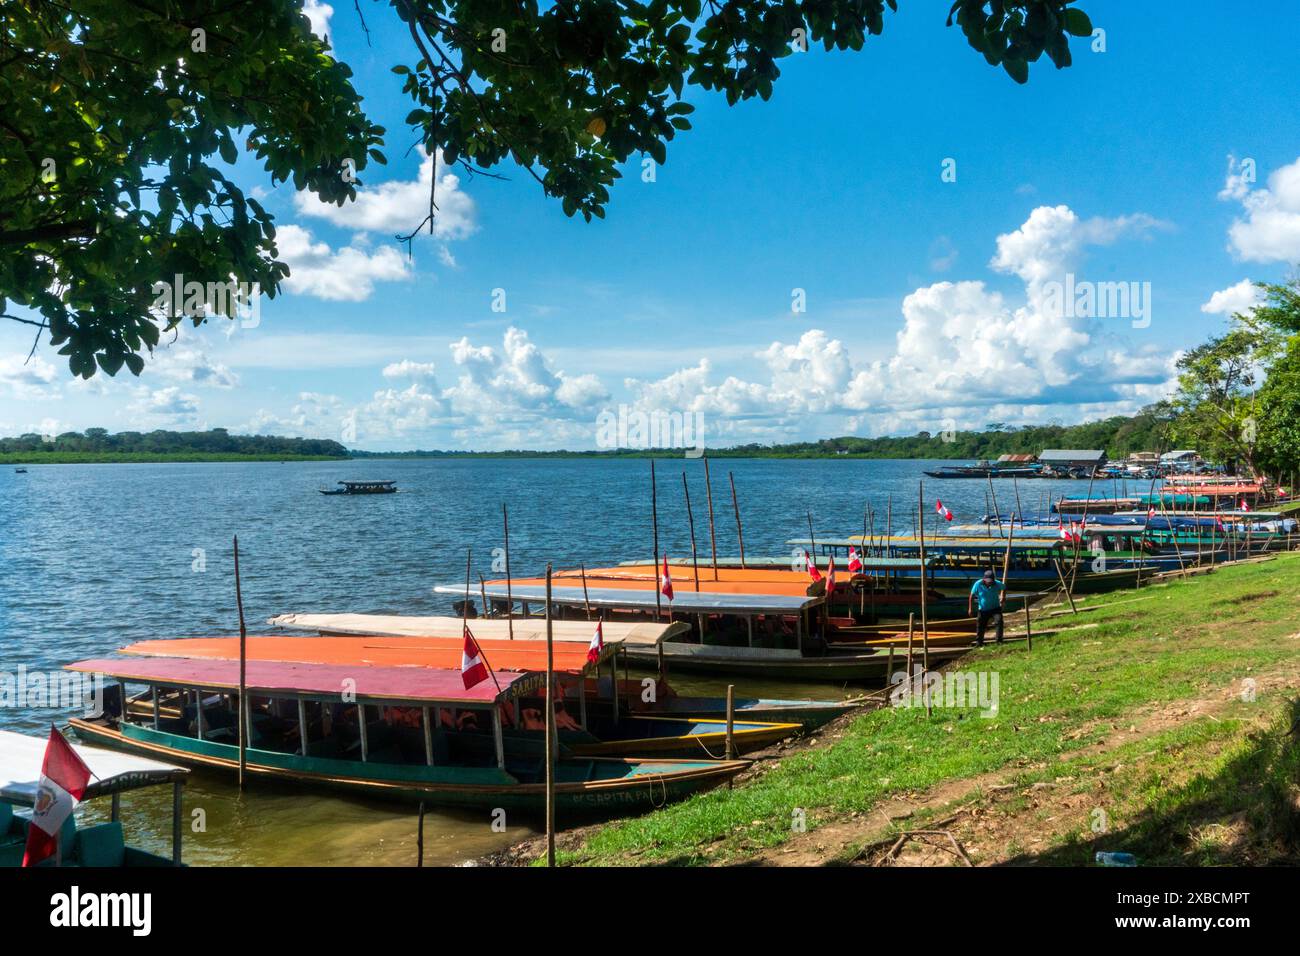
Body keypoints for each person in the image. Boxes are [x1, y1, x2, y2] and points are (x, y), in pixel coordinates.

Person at [968, 569, 1005, 647]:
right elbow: (971, 596)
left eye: (990, 581)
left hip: (995, 608)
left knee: (999, 621)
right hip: (983, 609)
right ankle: (979, 642)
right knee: (980, 625)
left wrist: (1003, 597)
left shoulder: (997, 583)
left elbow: (1004, 588)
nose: (989, 582)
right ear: (984, 579)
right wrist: (970, 609)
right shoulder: (978, 584)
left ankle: (999, 641)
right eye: (987, 581)